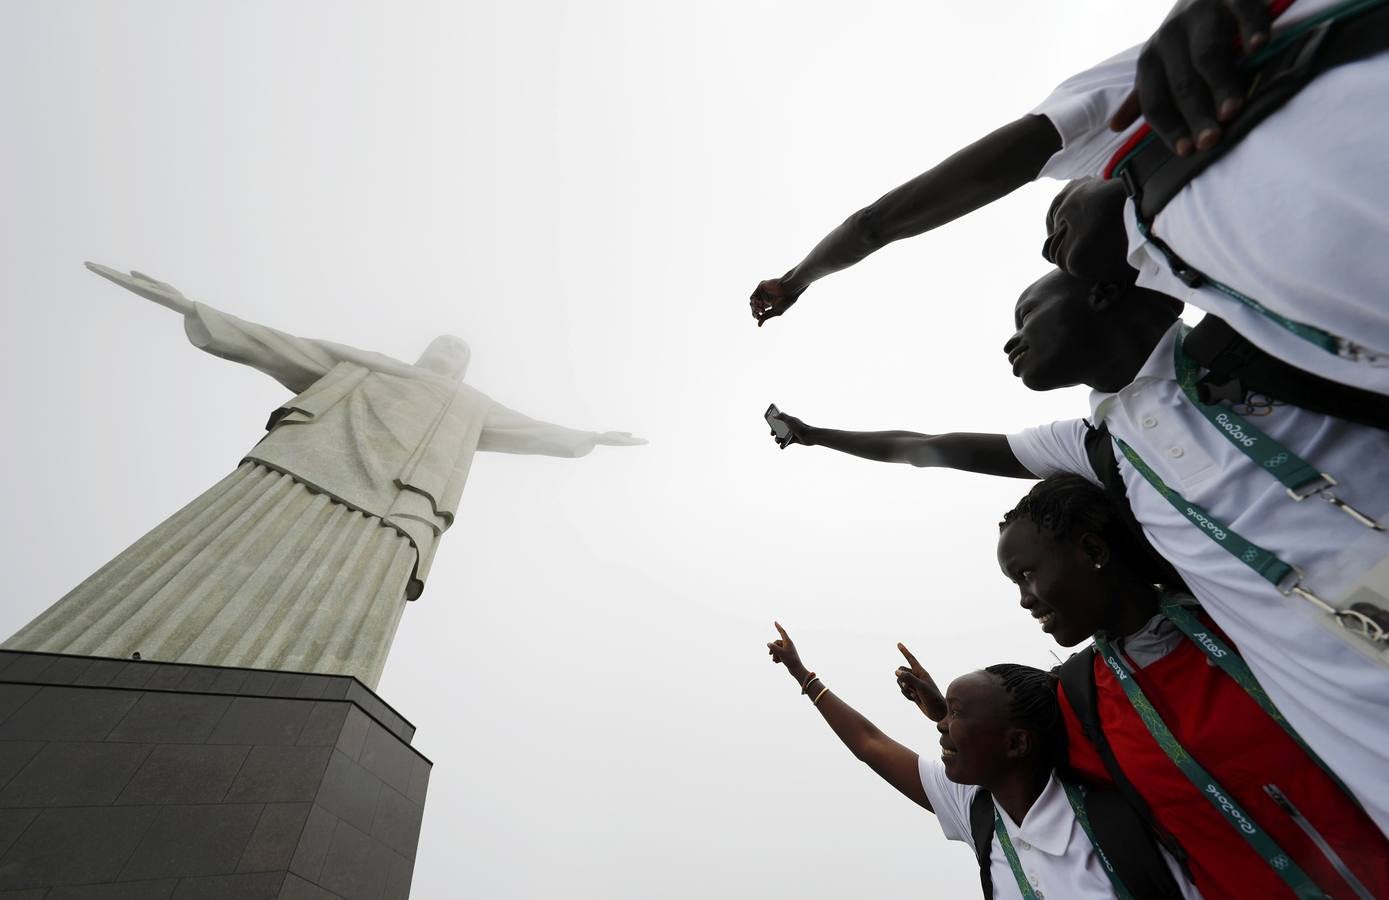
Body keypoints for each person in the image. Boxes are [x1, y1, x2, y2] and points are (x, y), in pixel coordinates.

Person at [765, 266, 1389, 835]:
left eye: (1028, 316)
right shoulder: (1092, 446)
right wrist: (818, 437)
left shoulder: (1221, 618)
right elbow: (936, 445)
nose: (1011, 342)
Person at [3, 264, 644, 688]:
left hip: (395, 508)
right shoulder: (367, 363)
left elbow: (535, 431)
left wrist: (588, 437)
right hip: (300, 468)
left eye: (458, 354)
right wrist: (190, 305)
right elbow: (277, 345)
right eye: (441, 347)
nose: (446, 356)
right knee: (212, 557)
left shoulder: (474, 408)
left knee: (338, 621)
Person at [750, 0, 1389, 397]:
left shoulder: (1121, 119)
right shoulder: (1194, 282)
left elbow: (875, 224)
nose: (1048, 243)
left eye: (1057, 209)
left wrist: (798, 276)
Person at [995, 474, 1389, 898]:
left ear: (1093, 550)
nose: (1024, 599)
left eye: (1027, 573)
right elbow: (997, 763)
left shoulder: (1245, 613)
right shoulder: (1079, 702)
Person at [765, 624, 1198, 899]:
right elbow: (869, 742)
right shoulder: (977, 808)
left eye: (955, 714)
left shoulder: (1118, 826)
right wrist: (804, 676)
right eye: (946, 712)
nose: (940, 726)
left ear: (1016, 744)